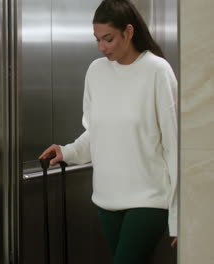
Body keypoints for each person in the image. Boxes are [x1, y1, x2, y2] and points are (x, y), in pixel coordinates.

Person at [38, 0, 178, 263]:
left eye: (109, 39)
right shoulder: (96, 71)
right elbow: (96, 131)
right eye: (97, 40)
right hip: (106, 201)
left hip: (149, 201)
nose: (102, 47)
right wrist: (67, 151)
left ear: (128, 31)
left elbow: (174, 144)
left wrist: (179, 212)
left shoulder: (158, 71)